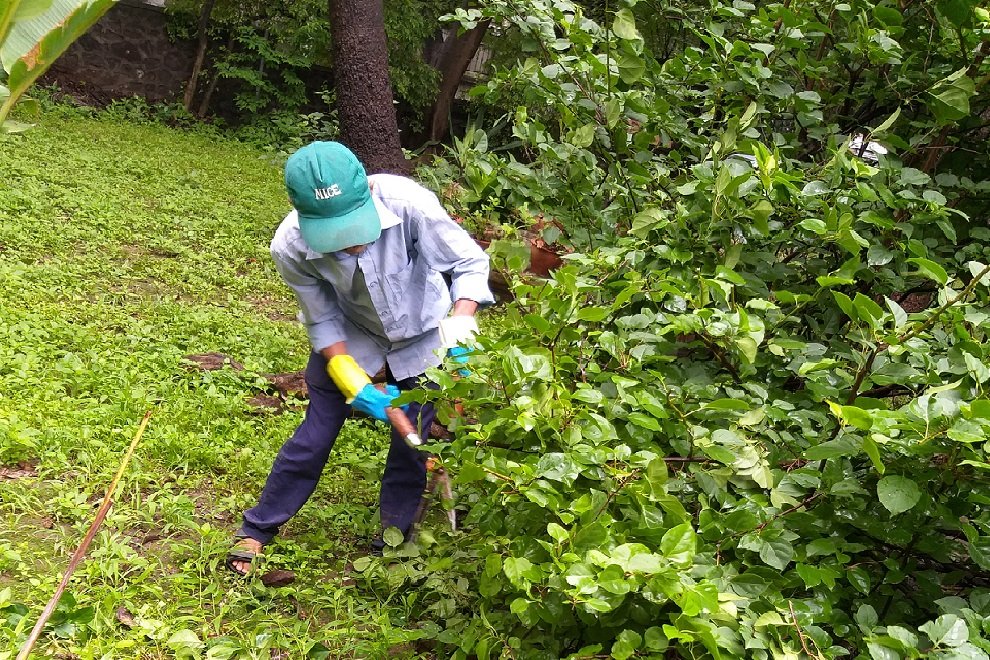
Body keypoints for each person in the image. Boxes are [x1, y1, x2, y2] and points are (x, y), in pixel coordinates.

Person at [226, 141, 493, 575]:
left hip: (422, 337)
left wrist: (460, 328)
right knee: (313, 439)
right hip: (353, 338)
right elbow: (322, 319)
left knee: (412, 444)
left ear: (367, 192)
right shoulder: (289, 246)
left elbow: (468, 263)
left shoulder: (408, 204)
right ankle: (258, 529)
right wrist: (349, 376)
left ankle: (392, 539)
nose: (350, 246)